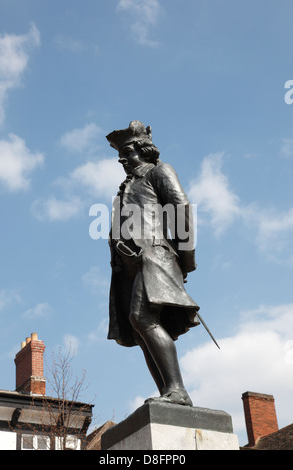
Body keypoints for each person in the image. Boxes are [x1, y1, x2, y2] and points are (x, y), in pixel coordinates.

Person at [106, 121, 200, 406]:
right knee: (138, 327)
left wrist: (185, 261)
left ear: (143, 149)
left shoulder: (159, 171)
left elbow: (180, 209)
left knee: (142, 318)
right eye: (119, 153)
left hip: (154, 258)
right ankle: (168, 393)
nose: (121, 158)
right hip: (129, 269)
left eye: (127, 151)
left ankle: (178, 390)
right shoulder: (126, 187)